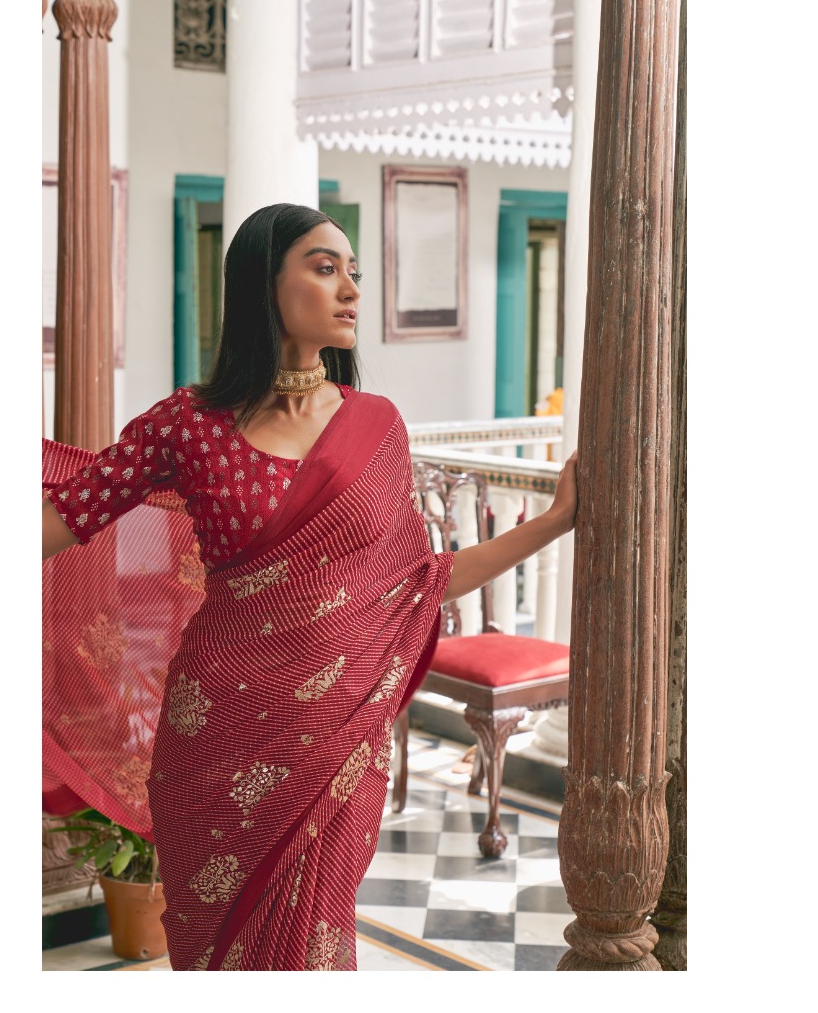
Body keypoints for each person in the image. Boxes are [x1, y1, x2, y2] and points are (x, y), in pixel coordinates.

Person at [42, 202, 578, 971]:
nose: (350, 290)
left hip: (333, 742)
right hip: (214, 732)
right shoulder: (187, 424)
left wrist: (553, 523)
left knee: (314, 948)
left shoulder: (375, 429)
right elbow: (65, 516)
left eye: (352, 272)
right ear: (263, 283)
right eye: (325, 269)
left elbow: (421, 583)